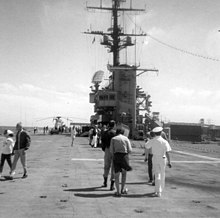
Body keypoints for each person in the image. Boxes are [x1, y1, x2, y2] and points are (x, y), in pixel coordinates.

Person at [145, 127, 172, 197]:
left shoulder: (152, 140)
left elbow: (146, 146)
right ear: (161, 133)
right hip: (163, 158)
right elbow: (167, 152)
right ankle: (160, 190)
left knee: (157, 174)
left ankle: (157, 190)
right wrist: (169, 161)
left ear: (154, 133)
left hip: (155, 157)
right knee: (162, 174)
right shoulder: (164, 141)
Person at [110, 127, 132, 197]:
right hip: (124, 156)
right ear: (123, 132)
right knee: (124, 174)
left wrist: (114, 155)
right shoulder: (126, 138)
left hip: (116, 156)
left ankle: (118, 191)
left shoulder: (113, 139)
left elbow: (111, 150)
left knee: (116, 175)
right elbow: (130, 149)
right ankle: (122, 189)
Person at [101, 120, 116, 190]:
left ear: (108, 125)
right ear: (114, 125)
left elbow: (102, 141)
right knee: (113, 167)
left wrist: (104, 149)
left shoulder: (105, 132)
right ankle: (112, 185)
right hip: (114, 150)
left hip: (107, 149)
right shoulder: (115, 133)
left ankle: (105, 182)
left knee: (106, 166)